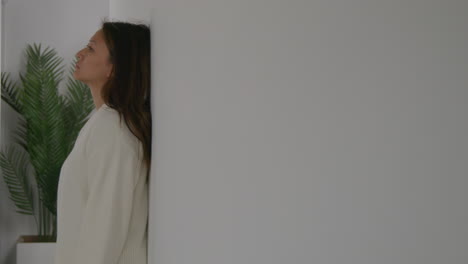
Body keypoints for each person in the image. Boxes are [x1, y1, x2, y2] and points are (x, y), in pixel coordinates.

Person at [54, 20, 151, 264]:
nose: (80, 53)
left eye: (91, 48)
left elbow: (105, 226)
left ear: (114, 69)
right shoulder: (103, 122)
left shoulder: (113, 129)